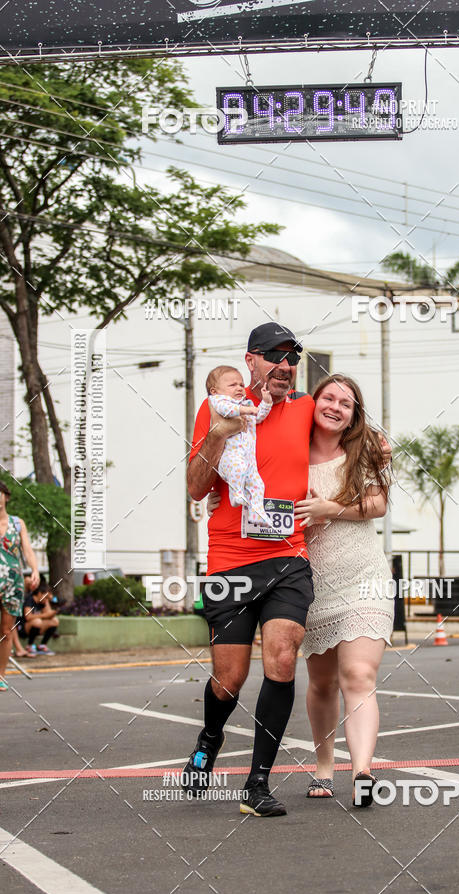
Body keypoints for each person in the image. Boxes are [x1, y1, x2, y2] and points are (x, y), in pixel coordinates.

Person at [184, 322, 315, 817]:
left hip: (288, 558)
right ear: (251, 361)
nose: (285, 366)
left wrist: (377, 461)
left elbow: (352, 438)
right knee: (230, 679)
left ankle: (257, 783)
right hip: (231, 561)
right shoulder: (220, 407)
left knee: (281, 659)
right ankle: (209, 737)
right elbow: (197, 487)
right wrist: (218, 436)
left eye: (293, 358)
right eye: (275, 357)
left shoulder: (305, 408)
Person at [294, 375, 392, 808]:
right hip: (312, 585)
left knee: (358, 675)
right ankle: (323, 765)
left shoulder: (362, 451)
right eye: (329, 398)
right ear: (313, 403)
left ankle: (362, 772)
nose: (336, 406)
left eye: (346, 403)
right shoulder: (290, 451)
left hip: (365, 577)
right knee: (321, 682)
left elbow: (378, 505)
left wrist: (330, 509)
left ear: (354, 415)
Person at [206, 364, 272, 525]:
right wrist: (246, 410)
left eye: (242, 385)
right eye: (232, 385)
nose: (239, 388)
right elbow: (227, 410)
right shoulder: (217, 400)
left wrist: (266, 403)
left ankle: (257, 513)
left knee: (258, 484)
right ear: (215, 390)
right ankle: (235, 494)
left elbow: (258, 416)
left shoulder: (246, 404)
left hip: (248, 458)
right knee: (239, 468)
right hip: (230, 457)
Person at [0, 480, 40, 690]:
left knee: (7, 630)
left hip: (13, 582)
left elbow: (28, 551)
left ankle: (1, 675)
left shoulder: (17, 524)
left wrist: (34, 570)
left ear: (6, 497)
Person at [21, 579, 59, 655]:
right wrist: (43, 615)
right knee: (37, 621)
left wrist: (54, 610)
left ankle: (42, 645)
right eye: (45, 597)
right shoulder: (30, 600)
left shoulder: (43, 602)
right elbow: (28, 617)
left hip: (38, 626)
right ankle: (29, 646)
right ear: (39, 594)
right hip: (23, 627)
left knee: (55, 621)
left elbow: (48, 614)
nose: (46, 599)